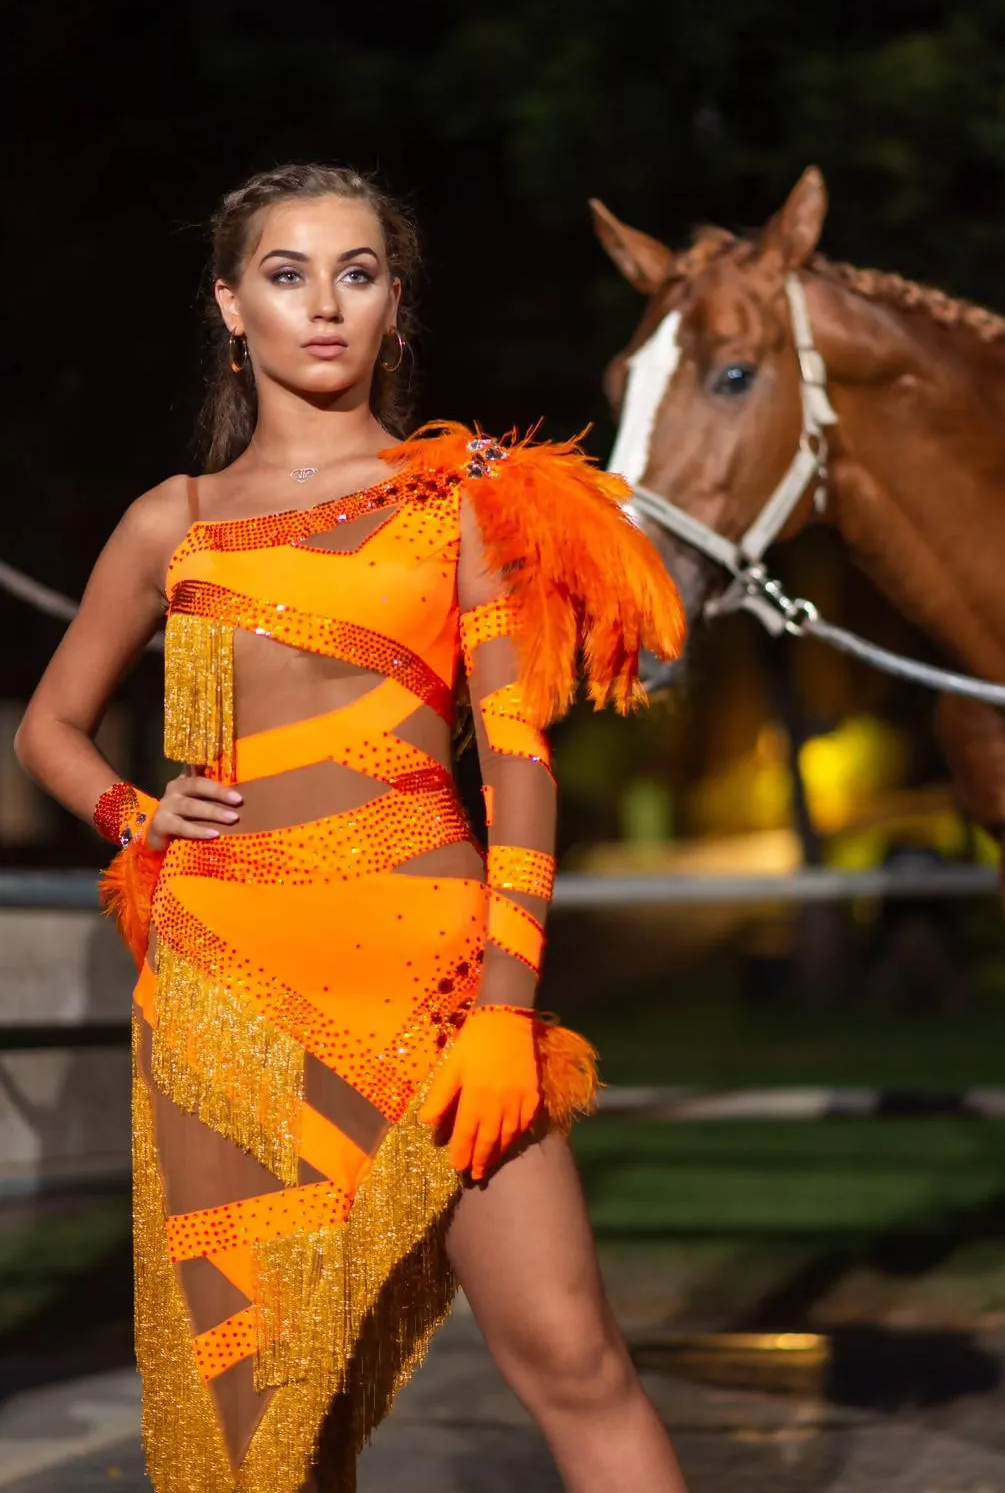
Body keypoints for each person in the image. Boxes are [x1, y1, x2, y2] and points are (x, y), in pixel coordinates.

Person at [15, 163, 688, 1493]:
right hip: (226, 1004)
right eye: (287, 273)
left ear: (393, 306)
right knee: (271, 1419)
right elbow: (49, 727)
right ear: (230, 304)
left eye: (358, 272)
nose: (324, 304)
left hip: (440, 995)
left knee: (574, 1358)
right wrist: (137, 814)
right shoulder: (176, 519)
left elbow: (521, 768)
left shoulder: (462, 498)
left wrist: (506, 1007)